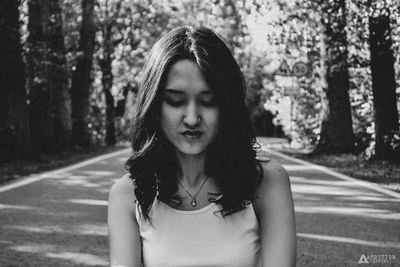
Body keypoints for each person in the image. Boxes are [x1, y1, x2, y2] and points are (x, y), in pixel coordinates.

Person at [108, 26, 296, 267]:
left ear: (226, 106)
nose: (192, 118)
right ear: (154, 106)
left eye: (208, 101)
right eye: (176, 101)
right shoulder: (127, 195)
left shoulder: (267, 181)